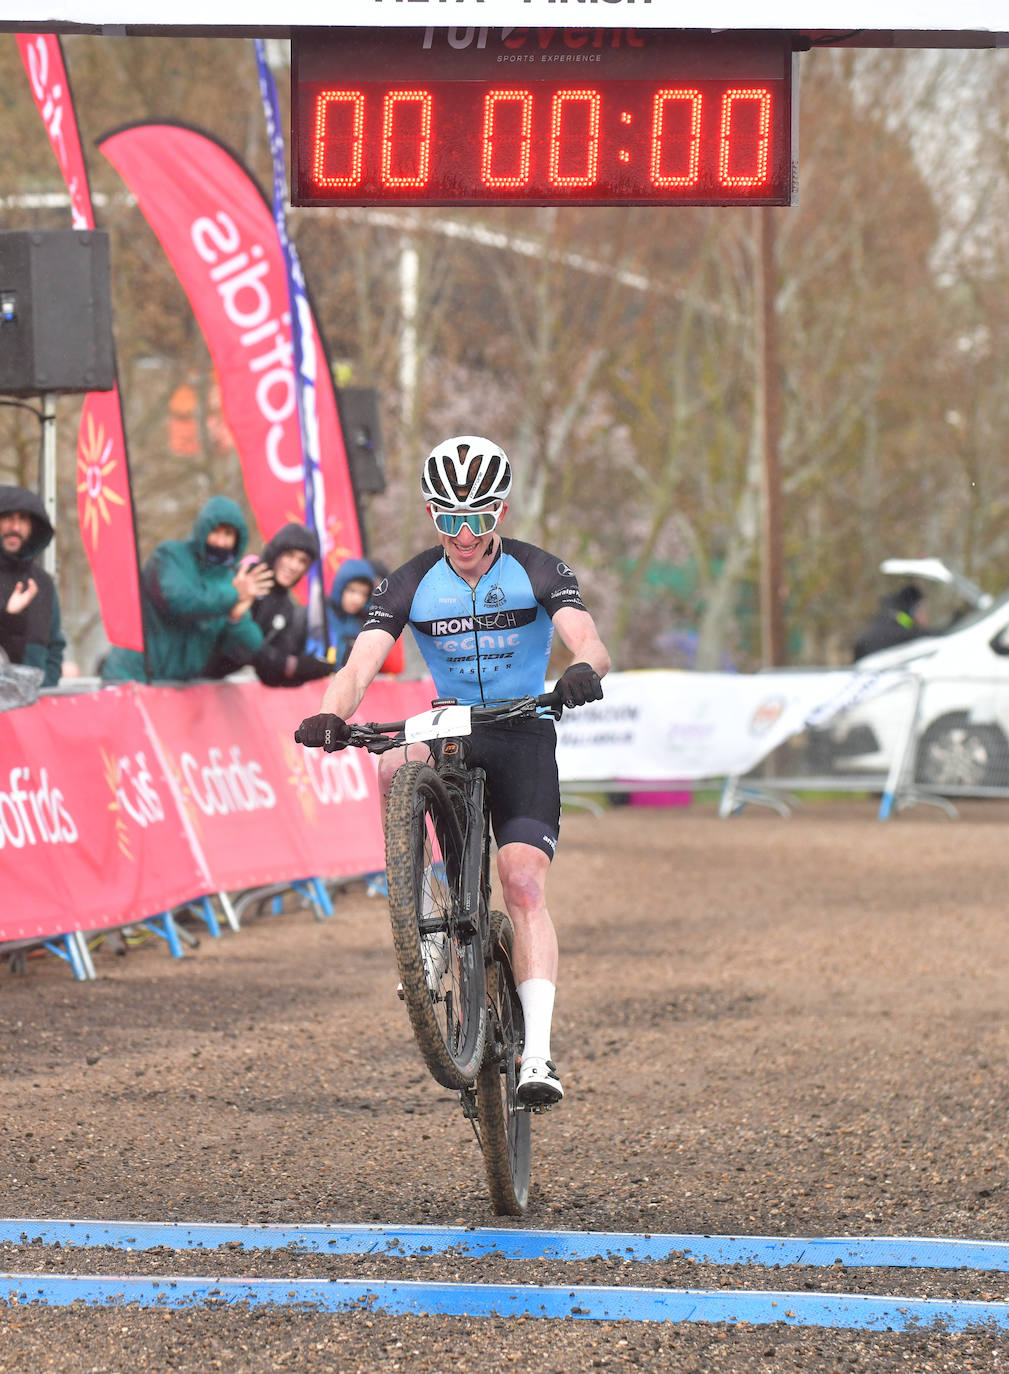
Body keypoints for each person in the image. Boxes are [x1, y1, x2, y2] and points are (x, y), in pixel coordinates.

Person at [296, 435, 610, 1109]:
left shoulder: (536, 568)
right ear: (431, 514)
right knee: (392, 764)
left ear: (499, 511)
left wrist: (582, 670)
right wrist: (328, 713)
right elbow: (358, 665)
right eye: (449, 520)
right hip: (454, 729)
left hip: (523, 727)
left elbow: (586, 636)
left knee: (523, 884)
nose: (464, 536)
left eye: (478, 519)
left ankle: (540, 1053)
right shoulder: (408, 581)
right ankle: (425, 913)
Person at [101, 494, 272, 683]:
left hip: (177, 688)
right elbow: (180, 600)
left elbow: (247, 649)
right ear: (203, 529)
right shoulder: (170, 556)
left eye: (228, 535)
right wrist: (233, 595)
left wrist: (236, 618)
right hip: (132, 675)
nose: (220, 542)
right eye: (215, 531)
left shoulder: (231, 582)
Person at [205, 522, 333, 688]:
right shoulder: (247, 576)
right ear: (276, 552)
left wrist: (307, 670)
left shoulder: (286, 608)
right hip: (187, 672)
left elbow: (271, 674)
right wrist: (288, 665)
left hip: (214, 684)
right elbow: (232, 637)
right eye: (289, 555)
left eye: (302, 561)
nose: (294, 566)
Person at [0, 485, 65, 686]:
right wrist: (9, 616)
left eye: (23, 519)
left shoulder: (43, 583)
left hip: (34, 709)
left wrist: (45, 687)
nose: (15, 527)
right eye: (7, 517)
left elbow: (54, 646)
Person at [325, 557, 376, 668]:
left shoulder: (365, 624)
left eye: (363, 594)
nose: (357, 599)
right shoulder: (321, 615)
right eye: (351, 590)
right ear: (340, 588)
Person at [853, 584, 926, 661]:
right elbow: (914, 634)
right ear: (913, 610)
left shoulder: (885, 618)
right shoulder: (900, 632)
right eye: (923, 610)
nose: (926, 616)